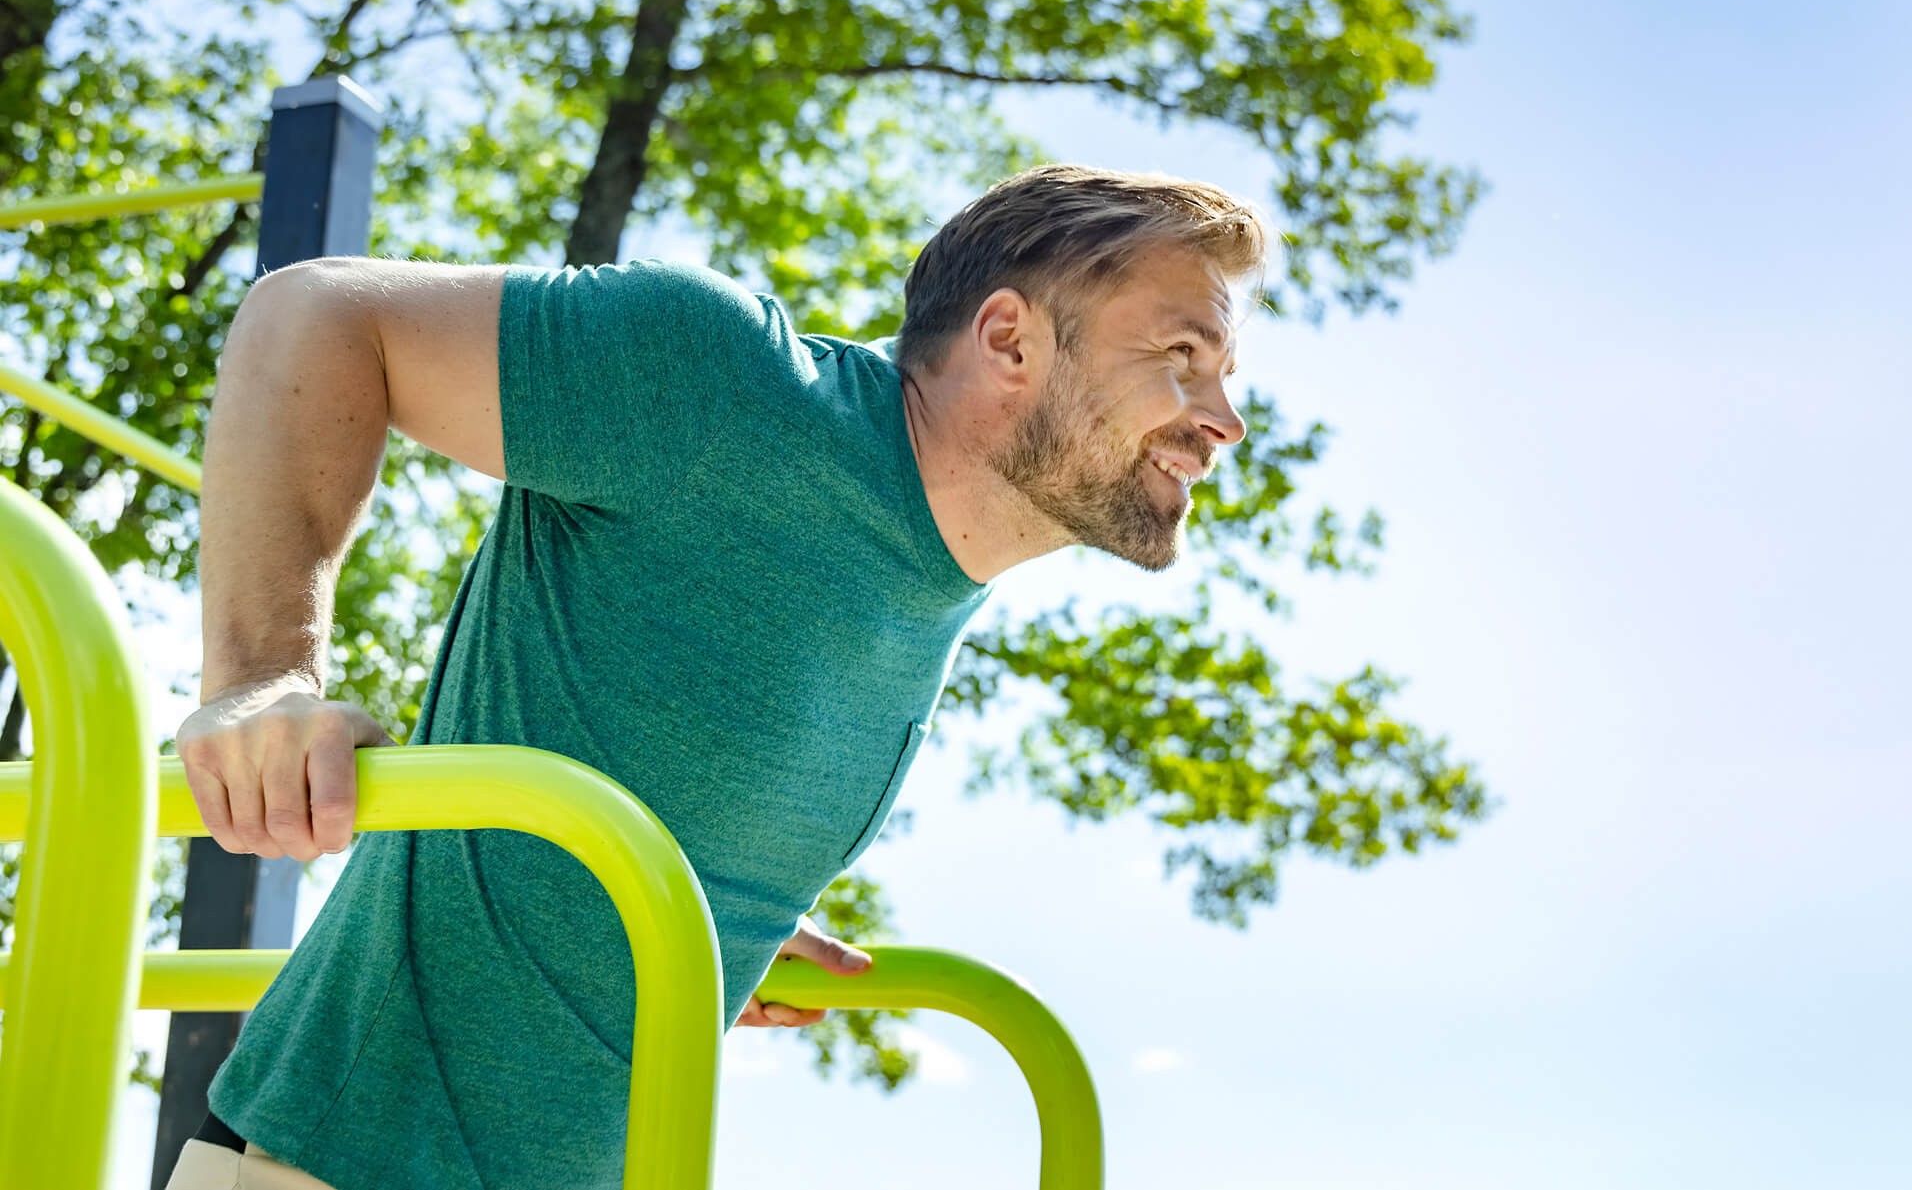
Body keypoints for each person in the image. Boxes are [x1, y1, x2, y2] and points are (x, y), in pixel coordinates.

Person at [162, 162, 1267, 1188]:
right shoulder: (728, 384)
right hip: (325, 1162)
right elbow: (316, 312)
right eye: (1181, 357)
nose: (1224, 419)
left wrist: (709, 923)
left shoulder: (937, 584)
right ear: (1010, 340)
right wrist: (264, 677)